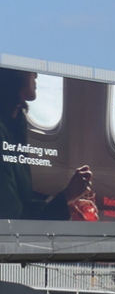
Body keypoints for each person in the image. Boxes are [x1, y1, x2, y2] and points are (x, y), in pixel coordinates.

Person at [0, 69, 94, 220]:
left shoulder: (17, 119)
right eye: (30, 70)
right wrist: (66, 197)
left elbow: (21, 198)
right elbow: (13, 219)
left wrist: (65, 202)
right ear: (13, 73)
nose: (36, 75)